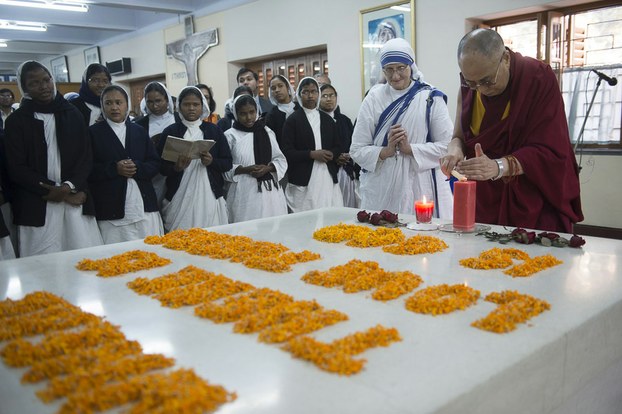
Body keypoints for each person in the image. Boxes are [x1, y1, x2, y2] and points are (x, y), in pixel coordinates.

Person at [439, 28, 583, 232]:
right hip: (484, 198)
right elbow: (458, 137)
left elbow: (551, 149)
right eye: (471, 83)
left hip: (530, 196)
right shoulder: (470, 87)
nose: (480, 89)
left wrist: (498, 166)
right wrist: (454, 151)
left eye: (487, 81)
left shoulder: (538, 79)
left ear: (505, 58)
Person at [3, 61, 102, 257]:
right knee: (42, 263)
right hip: (37, 203)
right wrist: (58, 191)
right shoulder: (17, 121)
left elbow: (86, 157)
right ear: (24, 88)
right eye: (34, 83)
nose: (44, 87)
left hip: (75, 199)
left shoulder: (72, 113)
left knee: (84, 259)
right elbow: (16, 167)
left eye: (47, 80)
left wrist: (69, 186)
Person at [350, 38, 454, 217]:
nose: (395, 75)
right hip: (382, 188)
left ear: (411, 66)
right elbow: (357, 150)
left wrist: (410, 149)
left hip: (421, 185)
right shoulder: (373, 99)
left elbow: (448, 147)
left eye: (400, 68)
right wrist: (386, 151)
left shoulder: (430, 97)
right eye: (389, 70)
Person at [88, 85, 163, 244]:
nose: (114, 107)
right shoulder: (93, 133)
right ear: (102, 106)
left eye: (118, 102)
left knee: (151, 252)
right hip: (111, 208)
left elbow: (154, 163)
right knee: (117, 257)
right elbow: (87, 169)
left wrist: (137, 167)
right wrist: (114, 169)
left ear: (127, 105)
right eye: (108, 103)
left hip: (143, 206)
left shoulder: (139, 131)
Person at [157, 86, 232, 231]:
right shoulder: (171, 131)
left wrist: (212, 162)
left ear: (202, 106)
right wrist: (176, 167)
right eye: (186, 104)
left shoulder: (213, 130)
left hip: (209, 195)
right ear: (179, 106)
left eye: (196, 104)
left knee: (211, 236)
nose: (191, 108)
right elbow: (161, 167)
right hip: (179, 196)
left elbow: (227, 162)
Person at [281, 76, 343, 212]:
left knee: (329, 214)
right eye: (305, 92)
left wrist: (332, 153)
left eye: (314, 91)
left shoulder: (328, 120)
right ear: (299, 94)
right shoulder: (292, 120)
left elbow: (338, 146)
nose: (310, 96)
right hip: (303, 177)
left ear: (318, 94)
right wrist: (311, 154)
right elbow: (287, 151)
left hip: (326, 175)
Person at [224, 95, 288, 223]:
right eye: (243, 114)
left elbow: (280, 160)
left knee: (273, 227)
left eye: (252, 112)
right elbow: (225, 167)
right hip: (243, 192)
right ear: (236, 114)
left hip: (271, 193)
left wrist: (268, 168)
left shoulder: (267, 132)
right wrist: (245, 169)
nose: (248, 117)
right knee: (245, 230)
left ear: (257, 110)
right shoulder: (230, 136)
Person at [319, 83, 359, 208]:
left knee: (349, 206)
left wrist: (349, 156)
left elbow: (354, 143)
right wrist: (335, 157)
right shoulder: (316, 120)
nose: (328, 99)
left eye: (331, 95)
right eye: (324, 96)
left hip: (346, 170)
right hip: (327, 170)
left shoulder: (345, 120)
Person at [265, 74, 298, 148]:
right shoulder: (271, 115)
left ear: (287, 87)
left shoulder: (300, 108)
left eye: (280, 86)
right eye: (273, 88)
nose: (277, 90)